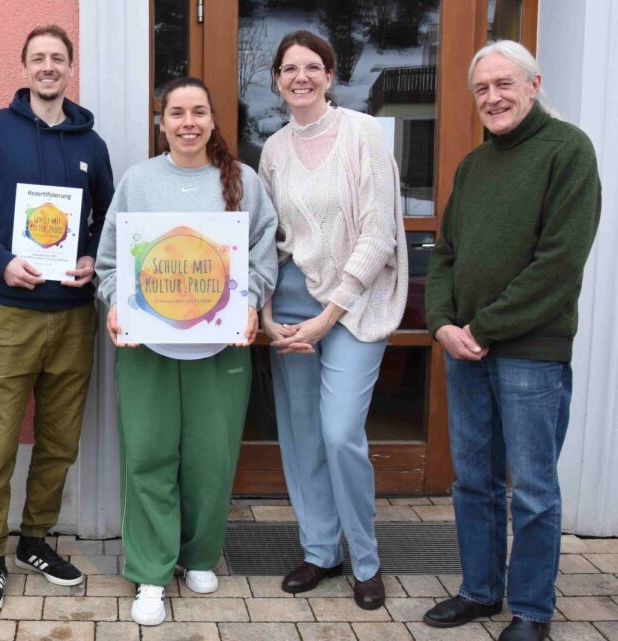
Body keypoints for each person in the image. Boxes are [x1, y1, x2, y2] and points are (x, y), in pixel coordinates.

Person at [423, 40, 600, 641]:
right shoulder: (473, 166)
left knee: (532, 490)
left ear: (534, 84)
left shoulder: (568, 151)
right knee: (472, 480)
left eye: (504, 84)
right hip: (466, 351)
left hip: (531, 355)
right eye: (482, 88)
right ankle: (480, 591)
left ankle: (531, 609)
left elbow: (558, 264)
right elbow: (444, 255)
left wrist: (481, 327)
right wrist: (443, 323)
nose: (492, 97)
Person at [95, 76, 277, 626]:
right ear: (162, 122)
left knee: (210, 460)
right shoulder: (137, 182)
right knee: (148, 456)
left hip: (218, 348)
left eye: (199, 111)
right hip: (149, 346)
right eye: (177, 113)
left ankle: (199, 555)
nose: (188, 122)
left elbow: (264, 256)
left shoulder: (243, 182)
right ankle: (151, 571)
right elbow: (109, 262)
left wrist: (252, 302)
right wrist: (113, 302)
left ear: (214, 120)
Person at [0, 24, 114, 615]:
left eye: (58, 58)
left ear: (70, 69)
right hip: (9, 313)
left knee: (59, 443)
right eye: (38, 59)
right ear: (24, 69)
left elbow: (103, 223)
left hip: (73, 319)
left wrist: (94, 256)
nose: (48, 67)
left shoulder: (91, 144)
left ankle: (35, 541)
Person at [257, 30, 407, 611]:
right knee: (301, 436)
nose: (301, 77)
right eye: (289, 68)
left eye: (312, 67)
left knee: (341, 432)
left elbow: (379, 234)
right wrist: (267, 312)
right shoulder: (272, 149)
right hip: (291, 303)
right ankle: (320, 550)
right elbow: (267, 238)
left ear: (330, 74)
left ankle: (365, 561)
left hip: (354, 305)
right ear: (276, 79)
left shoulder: (362, 133)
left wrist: (329, 315)